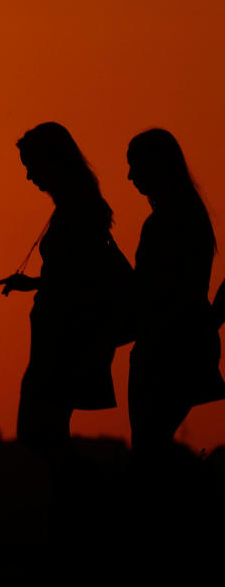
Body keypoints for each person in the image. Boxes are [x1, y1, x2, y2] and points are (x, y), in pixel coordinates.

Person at [0, 122, 121, 457]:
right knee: (47, 434)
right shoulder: (76, 207)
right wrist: (34, 283)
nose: (29, 176)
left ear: (52, 162)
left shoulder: (78, 210)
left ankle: (69, 502)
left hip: (64, 343)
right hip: (58, 340)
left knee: (41, 434)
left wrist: (42, 284)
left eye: (31, 167)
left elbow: (80, 277)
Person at [125, 129, 225, 454]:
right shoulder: (189, 216)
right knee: (152, 447)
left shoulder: (168, 222)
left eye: (135, 165)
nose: (129, 176)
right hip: (183, 345)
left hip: (167, 349)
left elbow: (156, 290)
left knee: (148, 449)